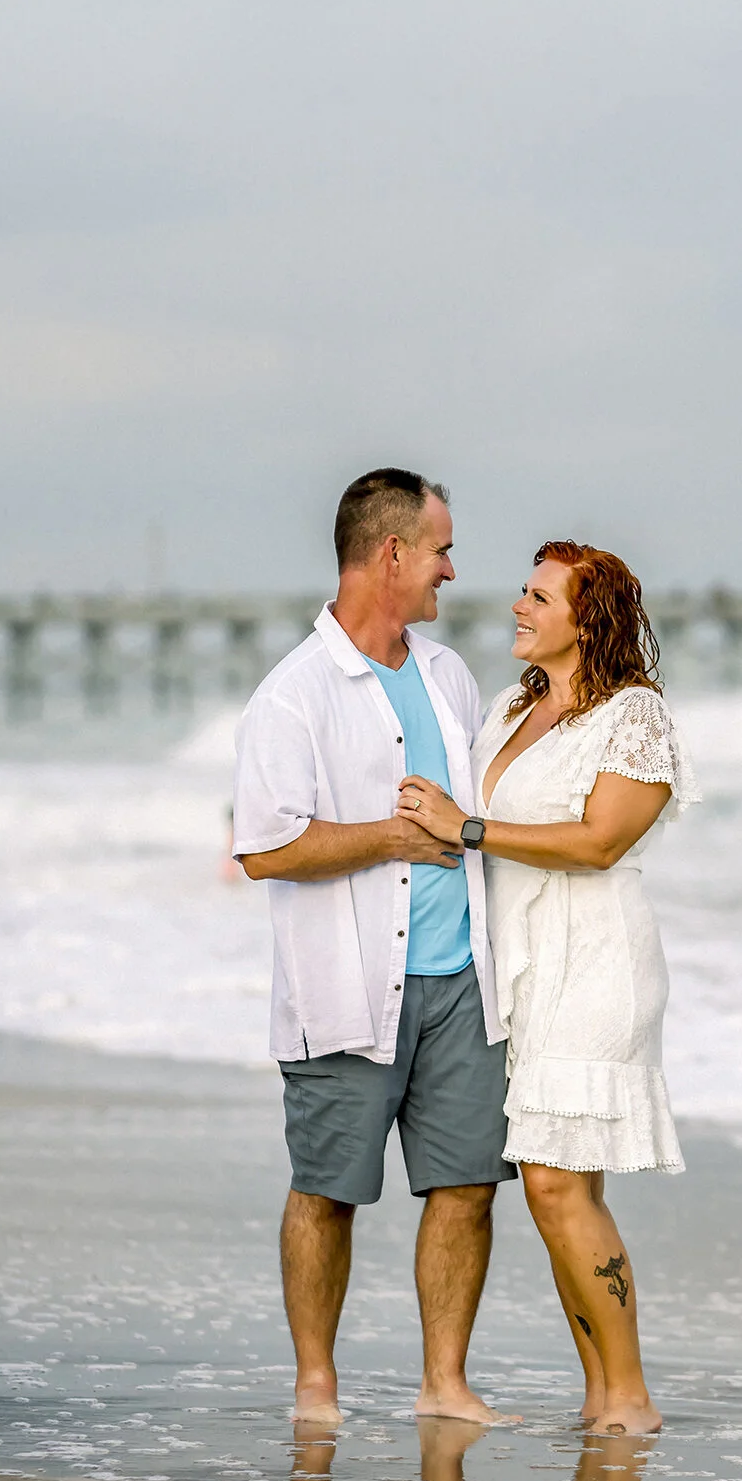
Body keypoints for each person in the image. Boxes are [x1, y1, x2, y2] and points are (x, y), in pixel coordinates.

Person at [231, 468, 514, 1428]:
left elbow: (476, 817)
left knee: (467, 1185)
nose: (451, 569)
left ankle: (445, 1383)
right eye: (440, 549)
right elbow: (265, 847)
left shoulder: (448, 675)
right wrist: (392, 838)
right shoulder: (292, 696)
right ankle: (316, 1383)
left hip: (464, 980)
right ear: (391, 553)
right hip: (345, 986)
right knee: (327, 1189)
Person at [396, 541, 699, 1436]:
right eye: (522, 591)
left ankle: (629, 1393)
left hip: (596, 958)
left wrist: (469, 828)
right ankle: (600, 1394)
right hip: (524, 965)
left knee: (558, 1184)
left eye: (539, 596)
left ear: (586, 619)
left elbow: (600, 841)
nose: (518, 607)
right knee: (555, 1188)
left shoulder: (633, 714)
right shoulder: (509, 707)